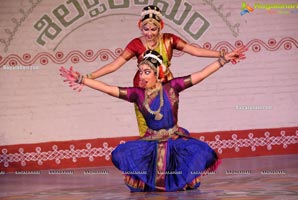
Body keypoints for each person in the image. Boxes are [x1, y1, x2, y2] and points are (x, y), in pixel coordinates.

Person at [59, 46, 246, 192]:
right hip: (151, 141)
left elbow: (201, 75)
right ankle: (151, 182)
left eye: (147, 72)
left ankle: (182, 180)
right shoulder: (136, 94)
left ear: (158, 73)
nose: (142, 76)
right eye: (140, 72)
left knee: (202, 151)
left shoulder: (172, 87)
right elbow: (108, 88)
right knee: (120, 153)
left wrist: (223, 60)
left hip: (174, 138)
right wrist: (83, 79)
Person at [69, 5, 240, 136]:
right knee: (146, 133)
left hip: (166, 90)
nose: (150, 33)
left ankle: (170, 168)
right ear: (140, 26)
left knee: (168, 129)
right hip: (143, 92)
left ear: (161, 26)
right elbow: (115, 65)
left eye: (154, 29)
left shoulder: (169, 40)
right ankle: (150, 171)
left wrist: (222, 55)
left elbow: (195, 51)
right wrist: (87, 77)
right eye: (146, 29)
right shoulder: (135, 44)